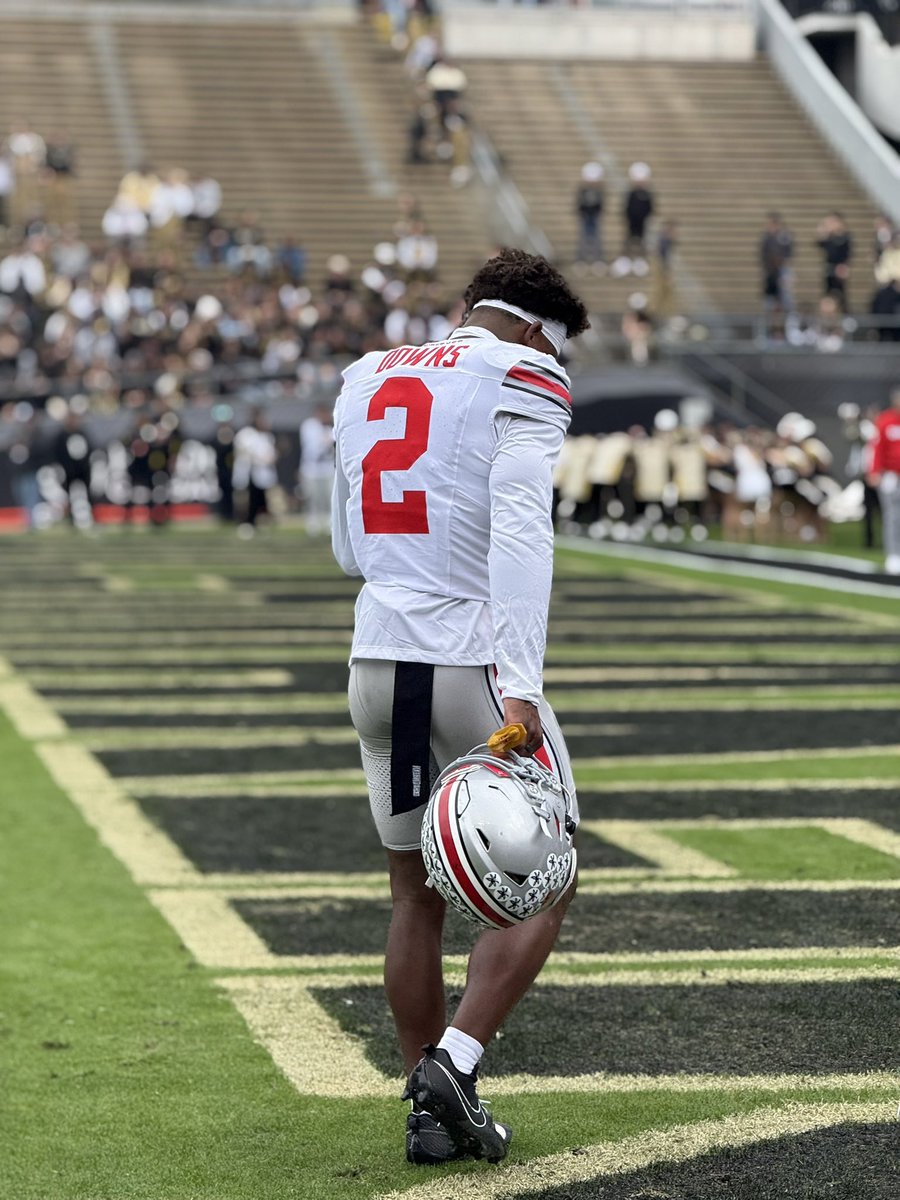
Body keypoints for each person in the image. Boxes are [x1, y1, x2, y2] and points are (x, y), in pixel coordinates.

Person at [331, 248, 589, 1166]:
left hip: (375, 658)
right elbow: (524, 531)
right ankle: (455, 1062)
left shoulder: (367, 375)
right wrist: (520, 678)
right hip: (468, 661)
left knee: (412, 895)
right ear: (531, 328)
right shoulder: (523, 371)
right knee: (546, 879)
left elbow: (344, 545)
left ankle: (425, 1110)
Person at [867, 386, 900, 575]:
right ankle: (894, 555)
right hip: (891, 476)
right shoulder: (886, 420)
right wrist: (875, 471)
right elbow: (877, 447)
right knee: (892, 516)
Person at [299, 403, 334, 535]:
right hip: (311, 468)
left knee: (328, 496)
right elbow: (313, 445)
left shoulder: (330, 427)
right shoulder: (309, 425)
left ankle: (328, 521)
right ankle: (313, 522)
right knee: (312, 497)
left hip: (327, 467)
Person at [815, 212, 852, 311]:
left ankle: (845, 315)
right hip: (830, 268)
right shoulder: (830, 237)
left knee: (840, 295)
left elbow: (847, 253)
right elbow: (820, 244)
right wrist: (823, 232)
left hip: (839, 268)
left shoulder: (844, 237)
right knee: (828, 294)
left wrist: (844, 266)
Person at [574, 161, 604, 267]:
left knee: (596, 238)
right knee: (583, 238)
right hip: (585, 217)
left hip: (594, 217)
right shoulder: (583, 190)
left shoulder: (599, 191)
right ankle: (581, 259)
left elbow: (600, 204)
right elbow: (579, 204)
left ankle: (598, 258)